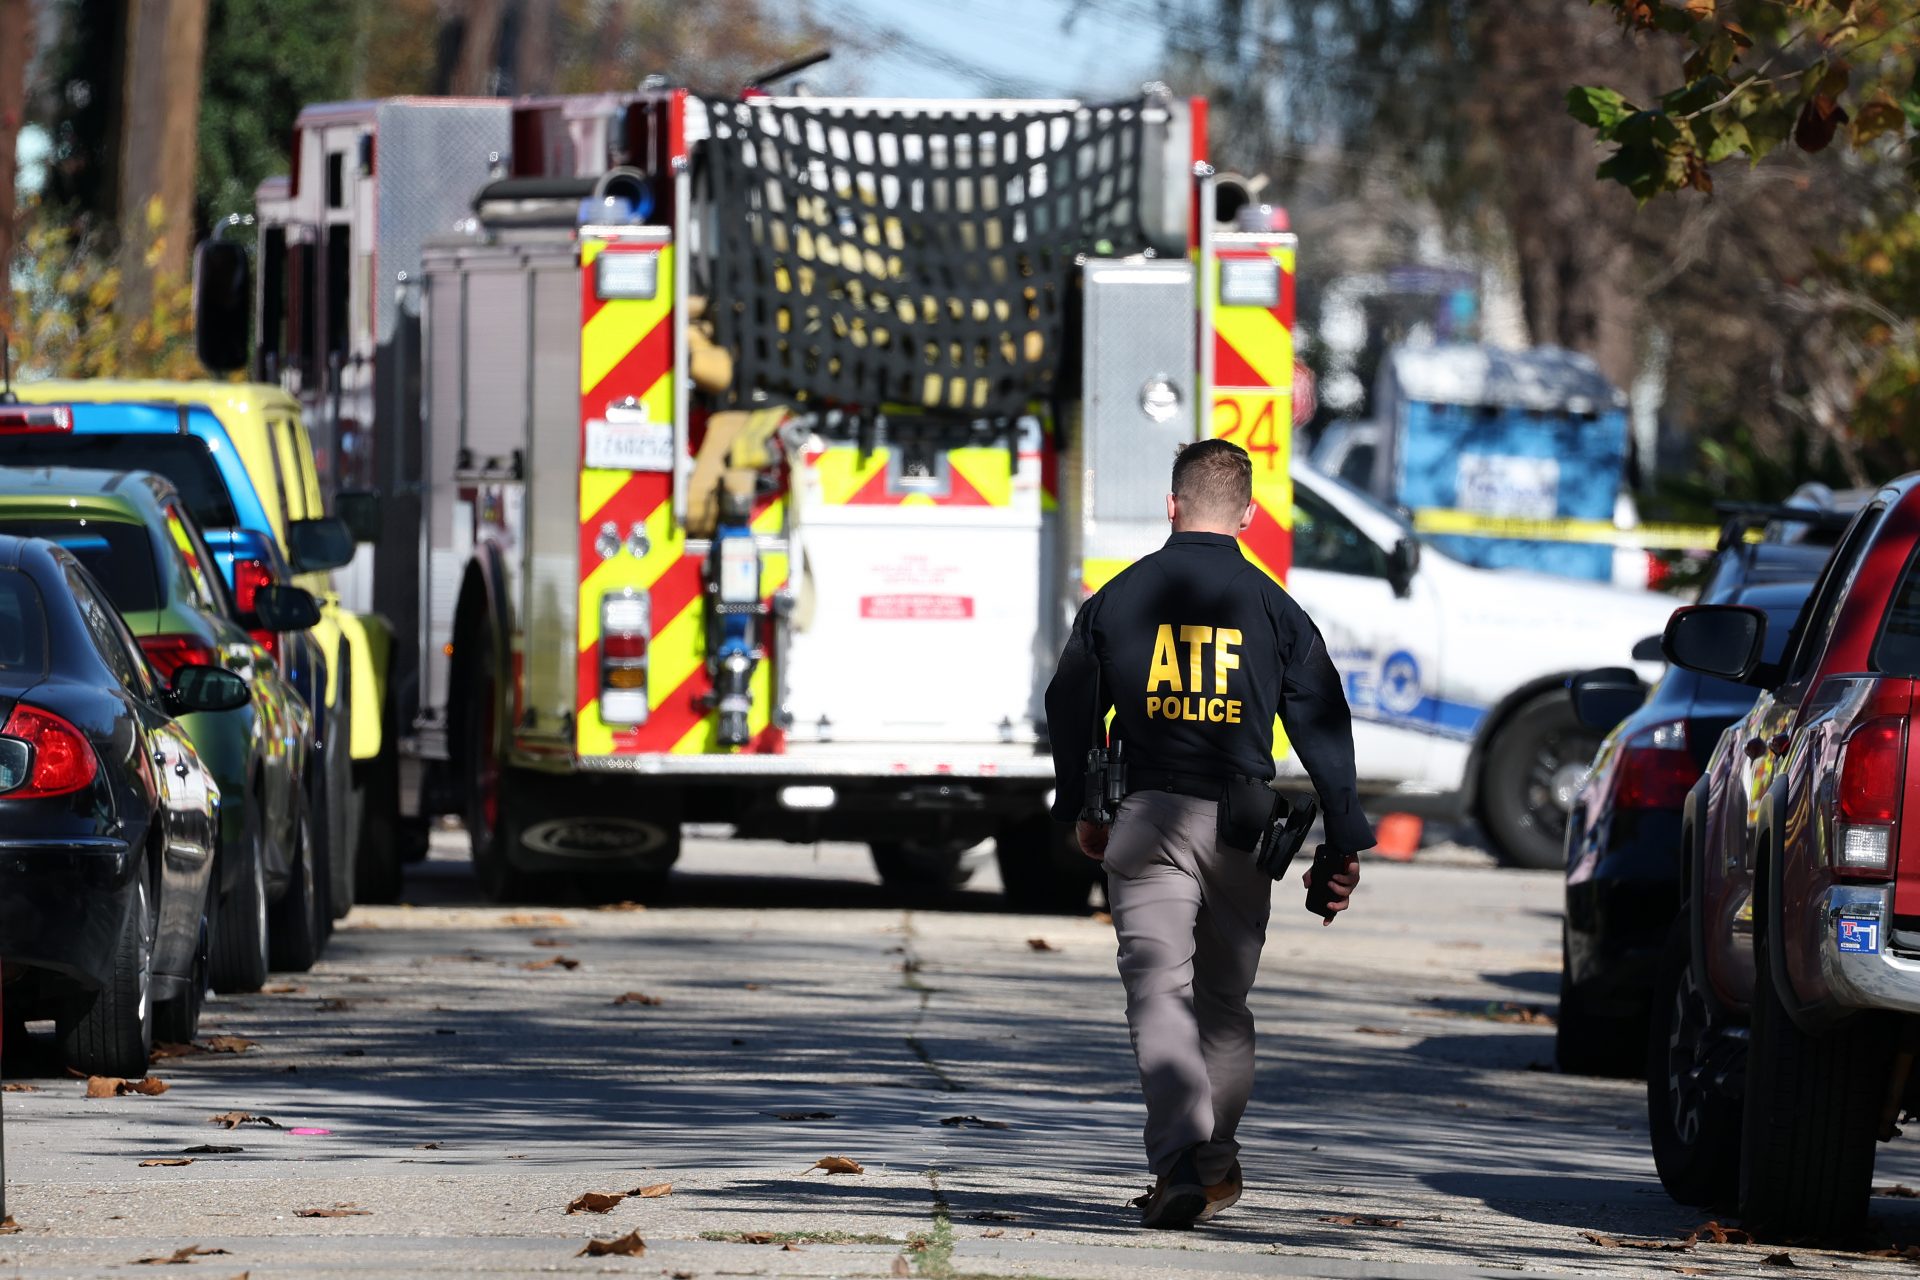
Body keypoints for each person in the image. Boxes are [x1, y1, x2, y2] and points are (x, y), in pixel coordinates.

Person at [1044, 438, 1372, 1230]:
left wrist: (1084, 807)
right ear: (1250, 516)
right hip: (1238, 828)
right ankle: (1209, 1162)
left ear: (1171, 505)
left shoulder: (1115, 601)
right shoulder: (1277, 610)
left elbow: (1070, 704)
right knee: (1223, 1005)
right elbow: (1323, 724)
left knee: (1159, 990)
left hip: (1146, 818)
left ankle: (1184, 1160)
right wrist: (1343, 842)